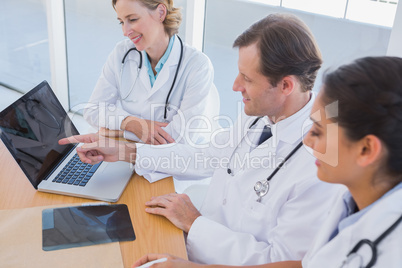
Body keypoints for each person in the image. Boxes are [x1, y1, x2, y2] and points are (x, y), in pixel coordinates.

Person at [59, 13, 342, 265]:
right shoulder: (262, 113)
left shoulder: (321, 165)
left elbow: (279, 262)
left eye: (247, 79)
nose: (235, 86)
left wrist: (195, 223)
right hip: (192, 239)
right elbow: (206, 157)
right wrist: (125, 151)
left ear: (286, 86)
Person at [133, 56, 402, 268]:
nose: (307, 141)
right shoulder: (350, 203)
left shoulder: (389, 246)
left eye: (318, 132)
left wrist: (196, 228)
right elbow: (304, 265)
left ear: (366, 149)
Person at [84, 0, 220, 145]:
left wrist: (118, 131)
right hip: (127, 154)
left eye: (133, 19)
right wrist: (132, 123)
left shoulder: (198, 66)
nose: (125, 31)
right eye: (121, 22)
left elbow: (181, 139)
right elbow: (93, 110)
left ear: (161, 12)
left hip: (171, 163)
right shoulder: (121, 53)